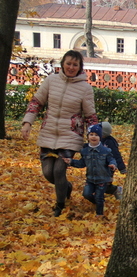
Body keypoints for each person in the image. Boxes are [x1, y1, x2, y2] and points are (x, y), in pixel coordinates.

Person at [21, 50, 98, 217]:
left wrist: (95, 137)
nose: (71, 67)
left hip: (70, 135)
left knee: (59, 170)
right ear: (63, 63)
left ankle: (60, 205)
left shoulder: (85, 88)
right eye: (68, 63)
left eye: (75, 65)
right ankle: (66, 188)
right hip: (48, 133)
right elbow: (36, 102)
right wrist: (27, 123)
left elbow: (90, 115)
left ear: (80, 67)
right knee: (48, 172)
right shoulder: (51, 81)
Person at [63, 124, 117, 216]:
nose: (93, 137)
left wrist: (113, 164)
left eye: (96, 135)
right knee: (86, 194)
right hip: (90, 178)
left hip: (102, 178)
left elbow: (112, 159)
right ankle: (96, 201)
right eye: (91, 134)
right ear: (88, 137)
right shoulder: (85, 151)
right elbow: (82, 163)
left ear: (100, 137)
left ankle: (99, 214)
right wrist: (71, 162)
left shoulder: (106, 151)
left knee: (99, 197)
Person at [101, 122, 126, 200]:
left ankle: (116, 190)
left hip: (109, 168)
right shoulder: (97, 140)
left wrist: (122, 168)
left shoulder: (110, 142)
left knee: (105, 185)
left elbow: (116, 155)